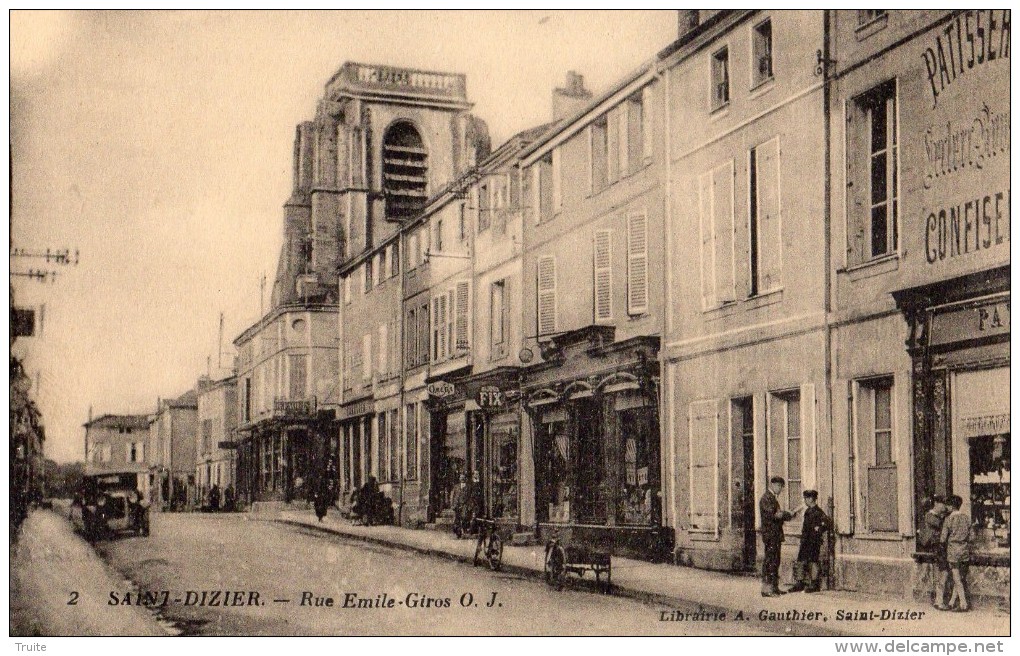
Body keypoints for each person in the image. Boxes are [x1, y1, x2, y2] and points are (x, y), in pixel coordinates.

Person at [789, 490, 830, 593]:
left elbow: (827, 523)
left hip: (814, 541)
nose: (805, 500)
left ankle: (814, 584)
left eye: (806, 498)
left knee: (813, 561)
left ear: (811, 499)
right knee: (801, 561)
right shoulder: (807, 511)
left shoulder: (818, 512)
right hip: (805, 540)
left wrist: (819, 528)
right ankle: (800, 583)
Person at [760, 476, 794, 597]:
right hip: (770, 535)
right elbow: (774, 515)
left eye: (781, 486)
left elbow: (778, 514)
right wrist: (787, 514)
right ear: (773, 485)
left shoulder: (771, 498)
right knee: (770, 561)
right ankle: (766, 590)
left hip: (775, 535)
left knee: (775, 561)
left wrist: (787, 515)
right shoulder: (766, 498)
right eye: (779, 486)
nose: (780, 489)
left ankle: (774, 588)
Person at [918, 495, 952, 609]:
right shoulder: (930, 516)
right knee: (942, 573)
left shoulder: (938, 516)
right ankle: (939, 600)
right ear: (937, 504)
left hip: (939, 548)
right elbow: (942, 526)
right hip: (936, 548)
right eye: (943, 504)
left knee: (943, 573)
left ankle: (939, 599)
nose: (945, 507)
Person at [940, 494, 971, 612]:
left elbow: (943, 538)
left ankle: (963, 603)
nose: (946, 507)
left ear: (952, 506)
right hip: (964, 551)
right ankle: (952, 602)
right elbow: (971, 536)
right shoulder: (967, 518)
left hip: (953, 551)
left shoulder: (948, 519)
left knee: (956, 579)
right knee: (960, 578)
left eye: (947, 505)